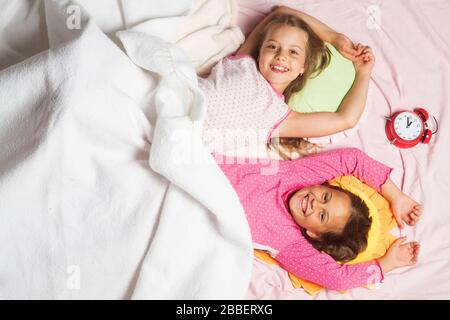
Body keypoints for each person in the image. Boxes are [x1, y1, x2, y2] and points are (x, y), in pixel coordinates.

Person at [215, 148, 422, 290]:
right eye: (325, 197)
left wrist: (385, 264)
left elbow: (337, 279)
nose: (315, 203)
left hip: (204, 211)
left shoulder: (291, 244)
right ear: (323, 185)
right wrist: (397, 197)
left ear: (314, 233)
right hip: (206, 166)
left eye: (322, 215)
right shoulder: (302, 175)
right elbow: (354, 159)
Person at [199, 6, 374, 159]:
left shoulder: (279, 118)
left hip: (190, 137)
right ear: (260, 52)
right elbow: (279, 13)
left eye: (293, 52)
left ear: (303, 67)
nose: (281, 56)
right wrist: (334, 37)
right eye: (273, 46)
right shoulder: (242, 63)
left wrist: (363, 73)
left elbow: (346, 120)